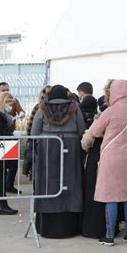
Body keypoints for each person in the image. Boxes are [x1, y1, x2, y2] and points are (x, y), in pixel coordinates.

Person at [84, 80, 127, 246]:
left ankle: (109, 236)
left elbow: (95, 131)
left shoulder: (109, 112)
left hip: (111, 157)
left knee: (111, 196)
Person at [31, 85, 85, 238]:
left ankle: (47, 226)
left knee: (48, 183)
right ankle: (70, 226)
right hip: (71, 151)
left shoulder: (42, 109)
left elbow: (34, 132)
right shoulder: (74, 108)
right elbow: (82, 130)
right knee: (71, 183)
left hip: (47, 151)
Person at [81, 96, 108, 239]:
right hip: (113, 158)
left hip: (96, 157)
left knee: (93, 192)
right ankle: (109, 228)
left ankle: (92, 228)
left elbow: (87, 141)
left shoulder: (100, 119)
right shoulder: (122, 117)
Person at [0, 82, 25, 194]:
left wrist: (21, 114)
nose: (6, 92)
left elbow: (21, 110)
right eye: (3, 90)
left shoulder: (14, 101)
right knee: (1, 162)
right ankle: (1, 186)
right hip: (0, 135)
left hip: (11, 134)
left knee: (14, 162)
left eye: (7, 89)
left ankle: (9, 184)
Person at [23, 85, 52, 179]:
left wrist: (29, 138)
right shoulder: (55, 107)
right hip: (50, 142)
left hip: (38, 141)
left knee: (36, 165)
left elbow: (30, 125)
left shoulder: (38, 107)